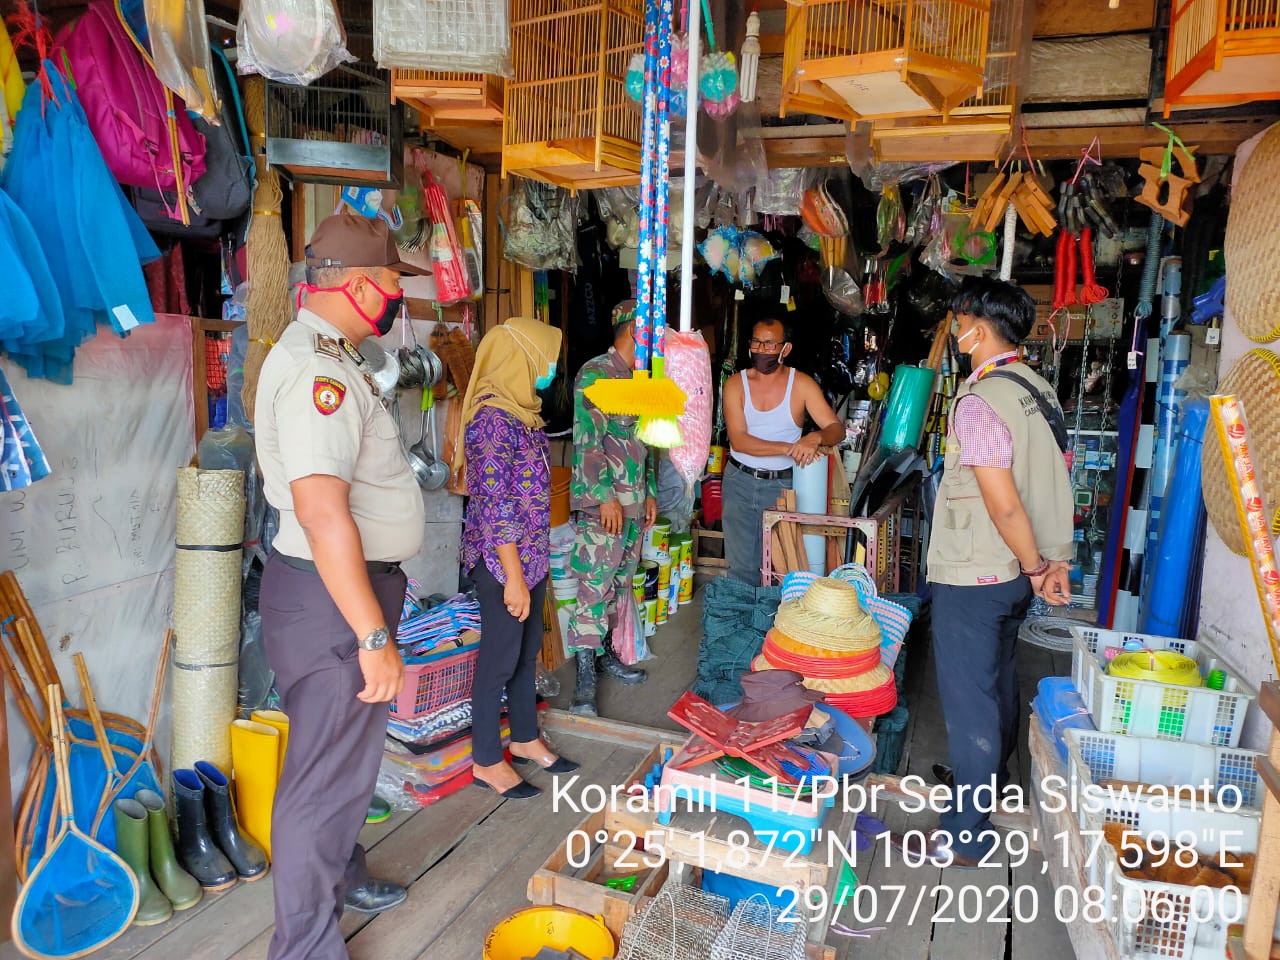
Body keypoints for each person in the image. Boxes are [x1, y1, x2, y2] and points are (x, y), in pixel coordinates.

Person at [254, 215, 425, 960]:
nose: (397, 297)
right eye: (392, 282)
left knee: (338, 768)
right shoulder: (321, 374)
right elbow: (324, 515)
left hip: (339, 598)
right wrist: (375, 637)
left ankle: (340, 873)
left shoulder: (334, 356)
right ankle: (305, 947)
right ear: (356, 285)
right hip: (335, 608)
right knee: (319, 784)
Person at [915, 276, 1074, 867]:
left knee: (970, 701)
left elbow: (1004, 501)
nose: (955, 331)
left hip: (980, 572)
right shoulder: (1036, 387)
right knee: (999, 681)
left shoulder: (979, 401)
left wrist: (1036, 566)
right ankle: (993, 781)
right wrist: (1047, 561)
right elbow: (1052, 478)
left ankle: (964, 834)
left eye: (958, 321)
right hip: (1011, 576)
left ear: (978, 329)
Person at [456, 317, 579, 800]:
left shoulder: (524, 416)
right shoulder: (490, 421)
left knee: (527, 651)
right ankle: (487, 759)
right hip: (501, 561)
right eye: (545, 361)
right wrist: (511, 577)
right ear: (521, 360)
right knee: (500, 658)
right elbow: (495, 505)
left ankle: (525, 738)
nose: (549, 372)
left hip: (531, 556)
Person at [567, 300, 652, 715]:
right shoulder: (596, 373)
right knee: (594, 585)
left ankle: (603, 657)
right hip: (608, 504)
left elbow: (645, 440)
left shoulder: (640, 379)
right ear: (635, 330)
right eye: (651, 331)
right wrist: (604, 496)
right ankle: (584, 679)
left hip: (634, 504)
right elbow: (587, 442)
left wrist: (649, 491)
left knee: (620, 582)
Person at [722, 317, 844, 584]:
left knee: (784, 566)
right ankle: (741, 622)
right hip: (739, 482)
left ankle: (774, 624)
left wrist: (816, 437)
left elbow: (837, 429)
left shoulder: (801, 385)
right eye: (756, 342)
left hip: (784, 486)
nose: (762, 349)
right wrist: (791, 447)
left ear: (785, 349)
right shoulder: (735, 384)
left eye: (769, 344)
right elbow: (739, 441)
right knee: (741, 567)